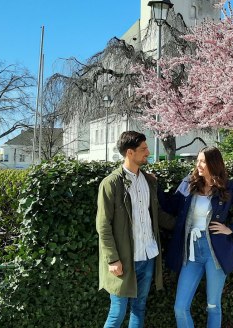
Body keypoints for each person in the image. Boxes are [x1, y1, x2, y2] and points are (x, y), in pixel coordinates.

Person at [165, 146, 233, 328]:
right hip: (191, 253)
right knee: (180, 307)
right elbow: (170, 205)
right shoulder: (188, 183)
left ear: (213, 164)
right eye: (198, 160)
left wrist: (230, 229)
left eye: (203, 161)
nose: (198, 165)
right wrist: (151, 185)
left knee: (213, 306)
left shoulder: (227, 187)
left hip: (214, 253)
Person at [96, 131, 173, 328]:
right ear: (130, 153)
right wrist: (112, 259)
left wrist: (183, 224)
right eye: (144, 149)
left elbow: (155, 215)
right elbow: (103, 225)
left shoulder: (150, 181)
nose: (148, 152)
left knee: (139, 308)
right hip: (123, 259)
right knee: (117, 312)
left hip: (148, 255)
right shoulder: (111, 184)